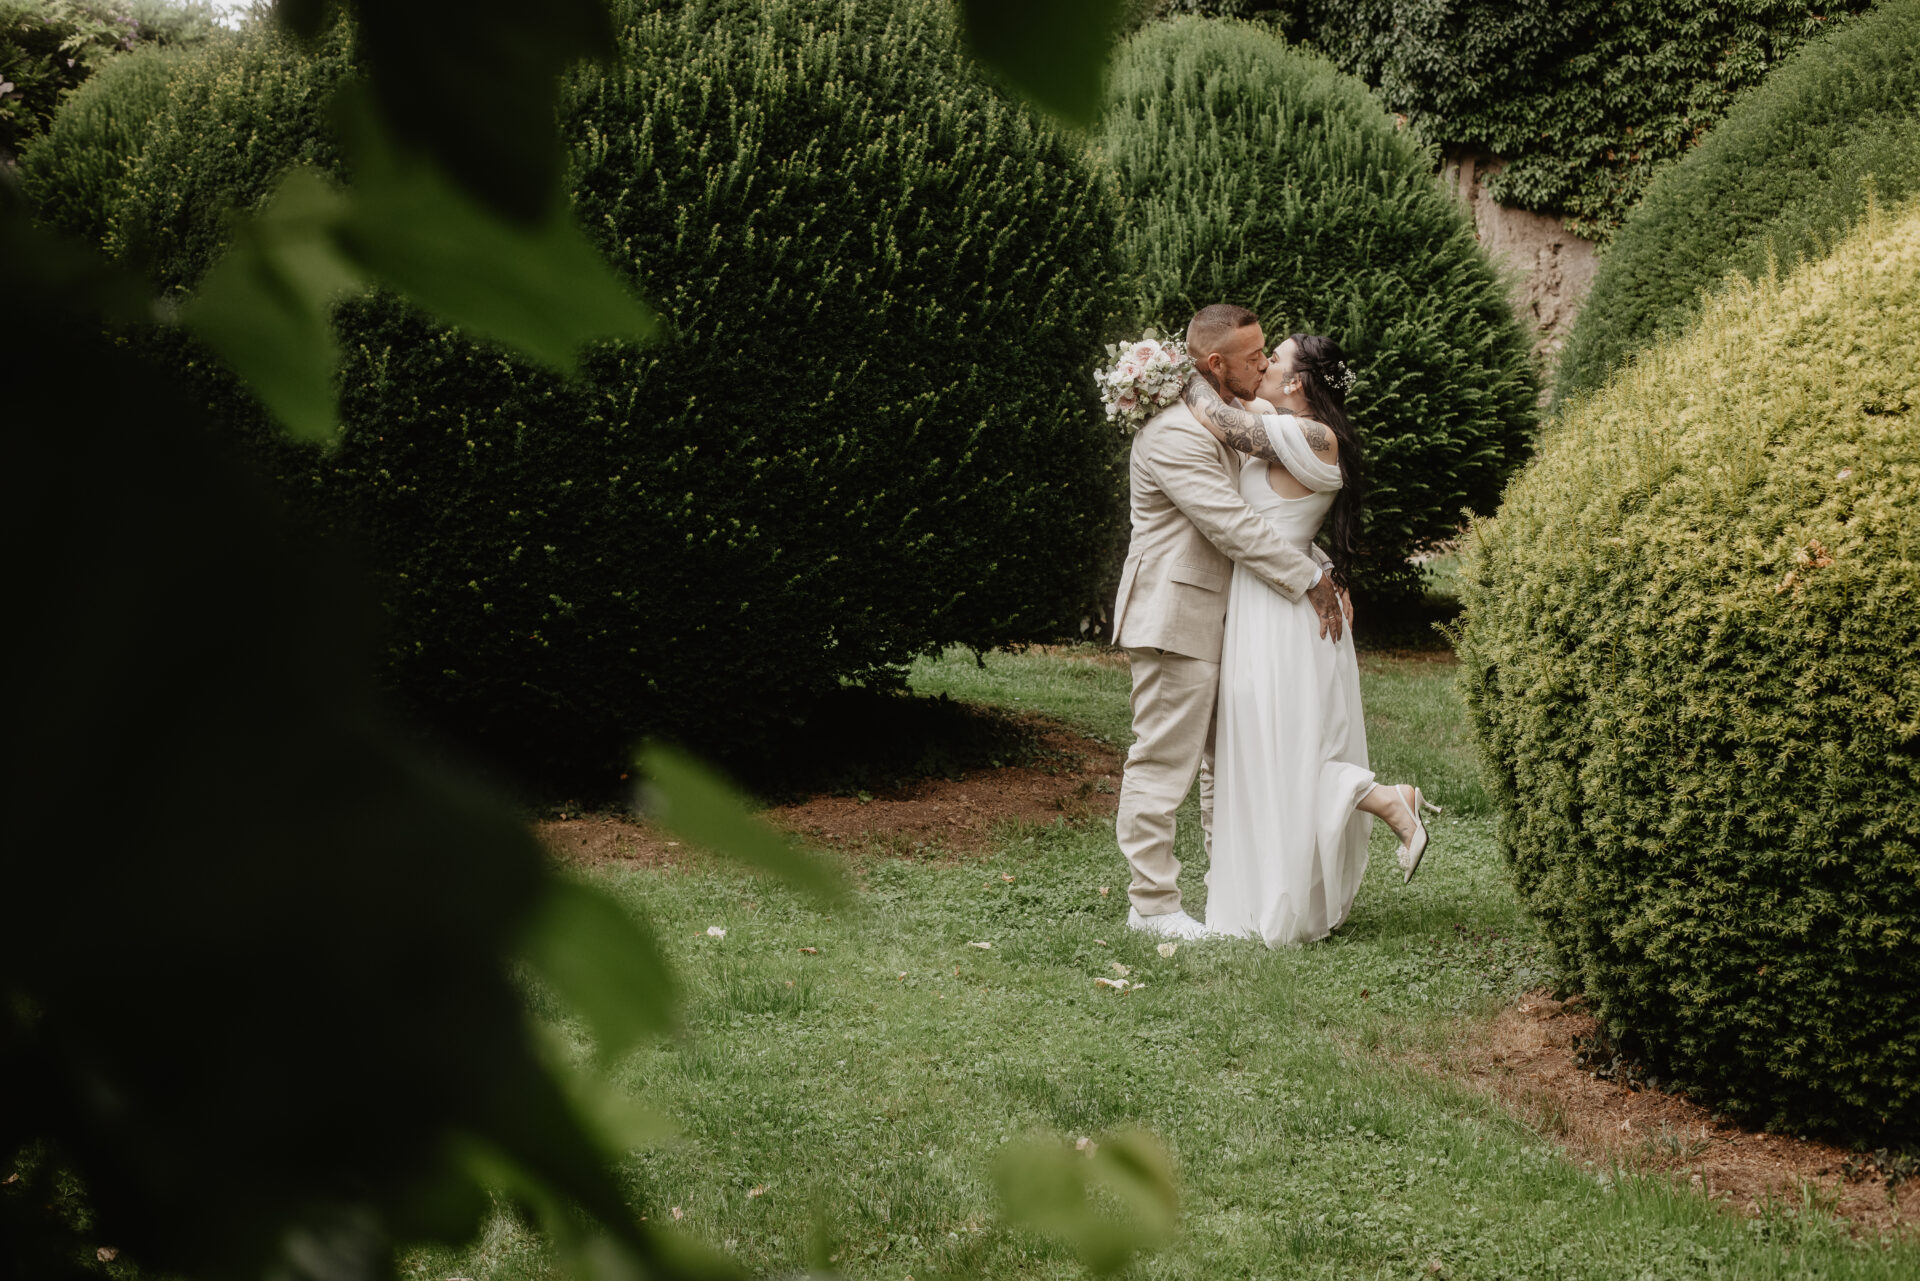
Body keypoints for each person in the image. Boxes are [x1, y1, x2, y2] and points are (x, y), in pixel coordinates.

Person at [1180, 334, 1439, 946]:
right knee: (1266, 745)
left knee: (1285, 747)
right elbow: (1284, 521)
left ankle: (1381, 796)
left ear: (1297, 382)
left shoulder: (1314, 435)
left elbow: (1219, 417)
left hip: (1283, 615)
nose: (1265, 366)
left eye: (1277, 359)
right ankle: (1273, 882)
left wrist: (1178, 366)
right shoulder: (1294, 426)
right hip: (1273, 599)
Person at [1110, 305, 1346, 942]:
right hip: (1175, 612)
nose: (1264, 364)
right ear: (1217, 364)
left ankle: (1230, 895)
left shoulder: (1239, 420)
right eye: (1252, 357)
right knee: (1163, 763)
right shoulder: (1172, 435)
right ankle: (1151, 906)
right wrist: (1309, 580)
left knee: (1226, 765)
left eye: (1269, 352)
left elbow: (1270, 512)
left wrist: (1319, 562)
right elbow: (1231, 525)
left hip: (1233, 617)